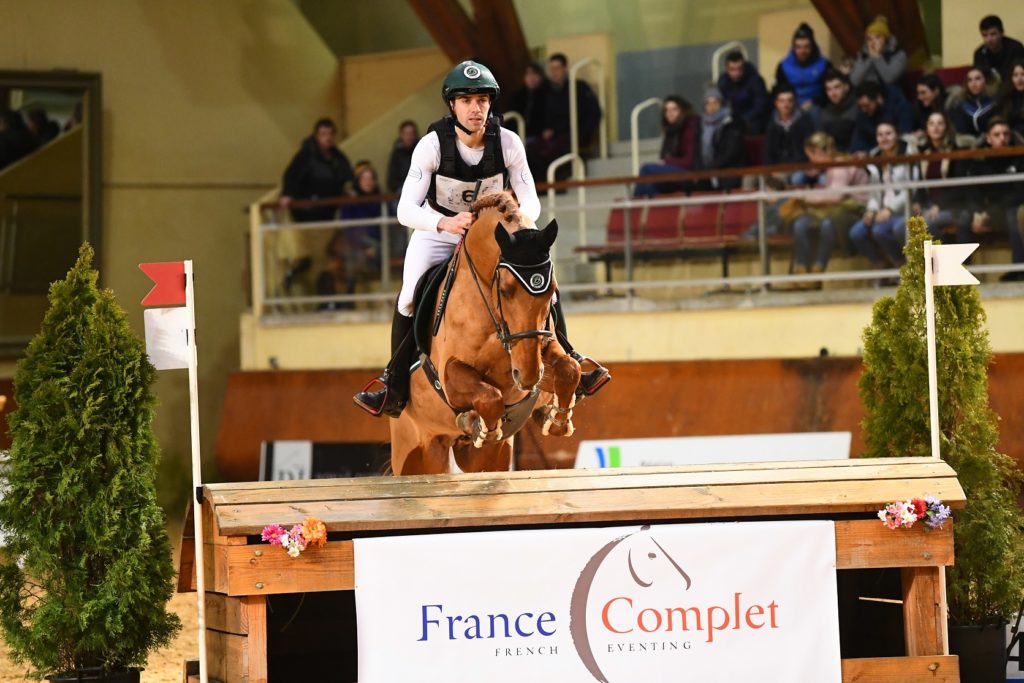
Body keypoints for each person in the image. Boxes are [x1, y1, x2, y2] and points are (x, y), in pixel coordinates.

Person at [354, 61, 609, 418]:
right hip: (441, 231)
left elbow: (532, 199)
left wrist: (518, 219)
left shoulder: (507, 142)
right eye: (466, 100)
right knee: (410, 293)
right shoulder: (431, 146)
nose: (476, 108)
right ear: (452, 106)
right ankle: (393, 384)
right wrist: (444, 223)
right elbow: (404, 210)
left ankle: (572, 358)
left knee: (541, 280)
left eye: (482, 100)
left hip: (494, 236)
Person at [786, 132, 868, 285]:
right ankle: (801, 270)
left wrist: (804, 197)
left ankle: (818, 270)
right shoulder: (831, 166)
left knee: (828, 224)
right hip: (836, 208)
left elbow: (835, 197)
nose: (811, 161)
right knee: (801, 223)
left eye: (811, 156)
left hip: (855, 210)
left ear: (818, 152)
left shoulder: (840, 165)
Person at [850, 122, 919, 271]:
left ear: (896, 136)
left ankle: (906, 265)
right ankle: (884, 264)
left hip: (904, 209)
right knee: (857, 233)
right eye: (880, 135)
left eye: (888, 133)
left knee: (880, 231)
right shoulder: (875, 159)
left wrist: (889, 209)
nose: (884, 138)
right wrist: (871, 210)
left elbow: (911, 188)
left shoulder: (908, 154)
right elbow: (875, 191)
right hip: (880, 211)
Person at [963, 117, 1024, 279]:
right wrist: (976, 212)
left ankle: (1019, 270)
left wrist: (987, 214)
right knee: (963, 218)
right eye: (997, 135)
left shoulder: (1019, 157)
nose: (1002, 138)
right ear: (988, 138)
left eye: (1006, 134)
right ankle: (963, 274)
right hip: (986, 210)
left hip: (1006, 208)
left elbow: (1019, 193)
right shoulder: (979, 159)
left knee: (1015, 215)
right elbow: (972, 190)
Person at [526, 53, 602, 181]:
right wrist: (546, 131)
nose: (554, 72)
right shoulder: (546, 91)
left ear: (565, 68)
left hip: (572, 135)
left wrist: (580, 134)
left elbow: (593, 114)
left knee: (551, 151)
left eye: (557, 68)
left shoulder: (579, 88)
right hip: (551, 137)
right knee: (528, 150)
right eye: (551, 69)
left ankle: (553, 184)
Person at [280, 118, 354, 223]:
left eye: (330, 134)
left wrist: (348, 187)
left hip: (329, 211)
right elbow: (291, 174)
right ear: (316, 136)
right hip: (307, 211)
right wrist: (287, 194)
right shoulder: (306, 155)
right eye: (323, 134)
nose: (328, 138)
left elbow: (347, 174)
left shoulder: (338, 157)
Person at [914, 112, 970, 242]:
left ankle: (942, 260)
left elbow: (959, 187)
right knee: (902, 227)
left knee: (926, 224)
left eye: (940, 123)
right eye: (932, 124)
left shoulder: (955, 152)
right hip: (929, 206)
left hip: (953, 206)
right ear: (927, 128)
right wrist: (917, 201)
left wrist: (939, 205)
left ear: (947, 127)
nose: (936, 127)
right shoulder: (924, 154)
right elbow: (921, 184)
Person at [633, 96, 697, 197]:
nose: (670, 113)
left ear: (683, 110)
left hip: (691, 174)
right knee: (648, 185)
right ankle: (658, 212)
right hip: (675, 172)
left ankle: (633, 208)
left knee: (646, 169)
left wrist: (667, 161)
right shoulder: (670, 131)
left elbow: (689, 161)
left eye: (674, 109)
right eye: (667, 110)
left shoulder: (690, 127)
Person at [686, 87, 745, 191]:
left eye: (715, 103)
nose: (711, 107)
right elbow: (697, 151)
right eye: (708, 103)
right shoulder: (700, 124)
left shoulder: (731, 123)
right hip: (706, 173)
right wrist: (700, 170)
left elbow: (731, 152)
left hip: (727, 171)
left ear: (721, 104)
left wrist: (710, 168)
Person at [774, 23, 833, 117]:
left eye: (806, 47)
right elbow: (779, 90)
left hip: (816, 105)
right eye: (798, 47)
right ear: (793, 48)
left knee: (814, 112)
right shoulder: (783, 66)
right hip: (791, 104)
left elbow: (829, 92)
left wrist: (814, 102)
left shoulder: (824, 65)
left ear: (812, 47)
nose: (802, 51)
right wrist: (791, 103)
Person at [850, 80, 915, 153]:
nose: (863, 110)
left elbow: (905, 135)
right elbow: (859, 139)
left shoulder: (901, 107)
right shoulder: (863, 114)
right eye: (860, 106)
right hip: (872, 156)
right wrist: (860, 151)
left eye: (866, 105)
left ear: (879, 98)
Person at [763, 83, 815, 171]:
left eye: (789, 100)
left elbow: (808, 151)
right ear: (776, 103)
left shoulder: (804, 122)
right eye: (782, 101)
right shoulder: (772, 124)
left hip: (798, 167)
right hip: (776, 167)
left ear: (795, 102)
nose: (786, 105)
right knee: (750, 178)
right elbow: (768, 154)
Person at [717, 50, 770, 134]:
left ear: (744, 68)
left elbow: (760, 106)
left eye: (739, 69)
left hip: (754, 118)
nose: (736, 73)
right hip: (734, 117)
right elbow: (720, 103)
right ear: (727, 69)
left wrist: (743, 119)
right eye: (732, 69)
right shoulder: (723, 81)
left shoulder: (755, 80)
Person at [849, 16, 907, 91]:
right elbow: (855, 81)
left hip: (892, 97)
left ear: (886, 39)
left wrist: (877, 57)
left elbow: (889, 78)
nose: (873, 42)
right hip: (869, 95)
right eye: (869, 39)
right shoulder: (864, 54)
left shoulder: (898, 54)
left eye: (877, 37)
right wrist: (870, 58)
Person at [504, 62, 548, 142]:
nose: (531, 78)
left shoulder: (546, 95)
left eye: (535, 74)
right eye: (528, 74)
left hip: (536, 136)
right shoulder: (517, 96)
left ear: (541, 77)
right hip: (517, 135)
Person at [973, 15, 1024, 84]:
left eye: (993, 34)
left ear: (1002, 33)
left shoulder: (1015, 48)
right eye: (985, 35)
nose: (989, 39)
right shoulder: (979, 54)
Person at [949, 67, 996, 138]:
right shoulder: (959, 106)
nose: (973, 83)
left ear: (985, 81)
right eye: (970, 80)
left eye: (977, 79)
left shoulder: (994, 104)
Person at [820, 70, 858, 152]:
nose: (833, 93)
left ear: (846, 87)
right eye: (828, 89)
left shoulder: (857, 109)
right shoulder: (825, 113)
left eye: (837, 87)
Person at [911, 74, 948, 142]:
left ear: (936, 91)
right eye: (918, 93)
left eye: (923, 93)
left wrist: (926, 133)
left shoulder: (950, 105)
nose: (919, 97)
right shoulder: (918, 107)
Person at [387, 120, 419, 195]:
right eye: (406, 134)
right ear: (401, 135)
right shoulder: (396, 153)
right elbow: (392, 179)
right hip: (401, 190)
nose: (409, 136)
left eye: (411, 133)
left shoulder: (421, 150)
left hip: (419, 188)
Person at [997, 60, 1024, 139]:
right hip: (1011, 138)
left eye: (1023, 74)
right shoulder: (1005, 98)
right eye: (1015, 75)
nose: (1019, 79)